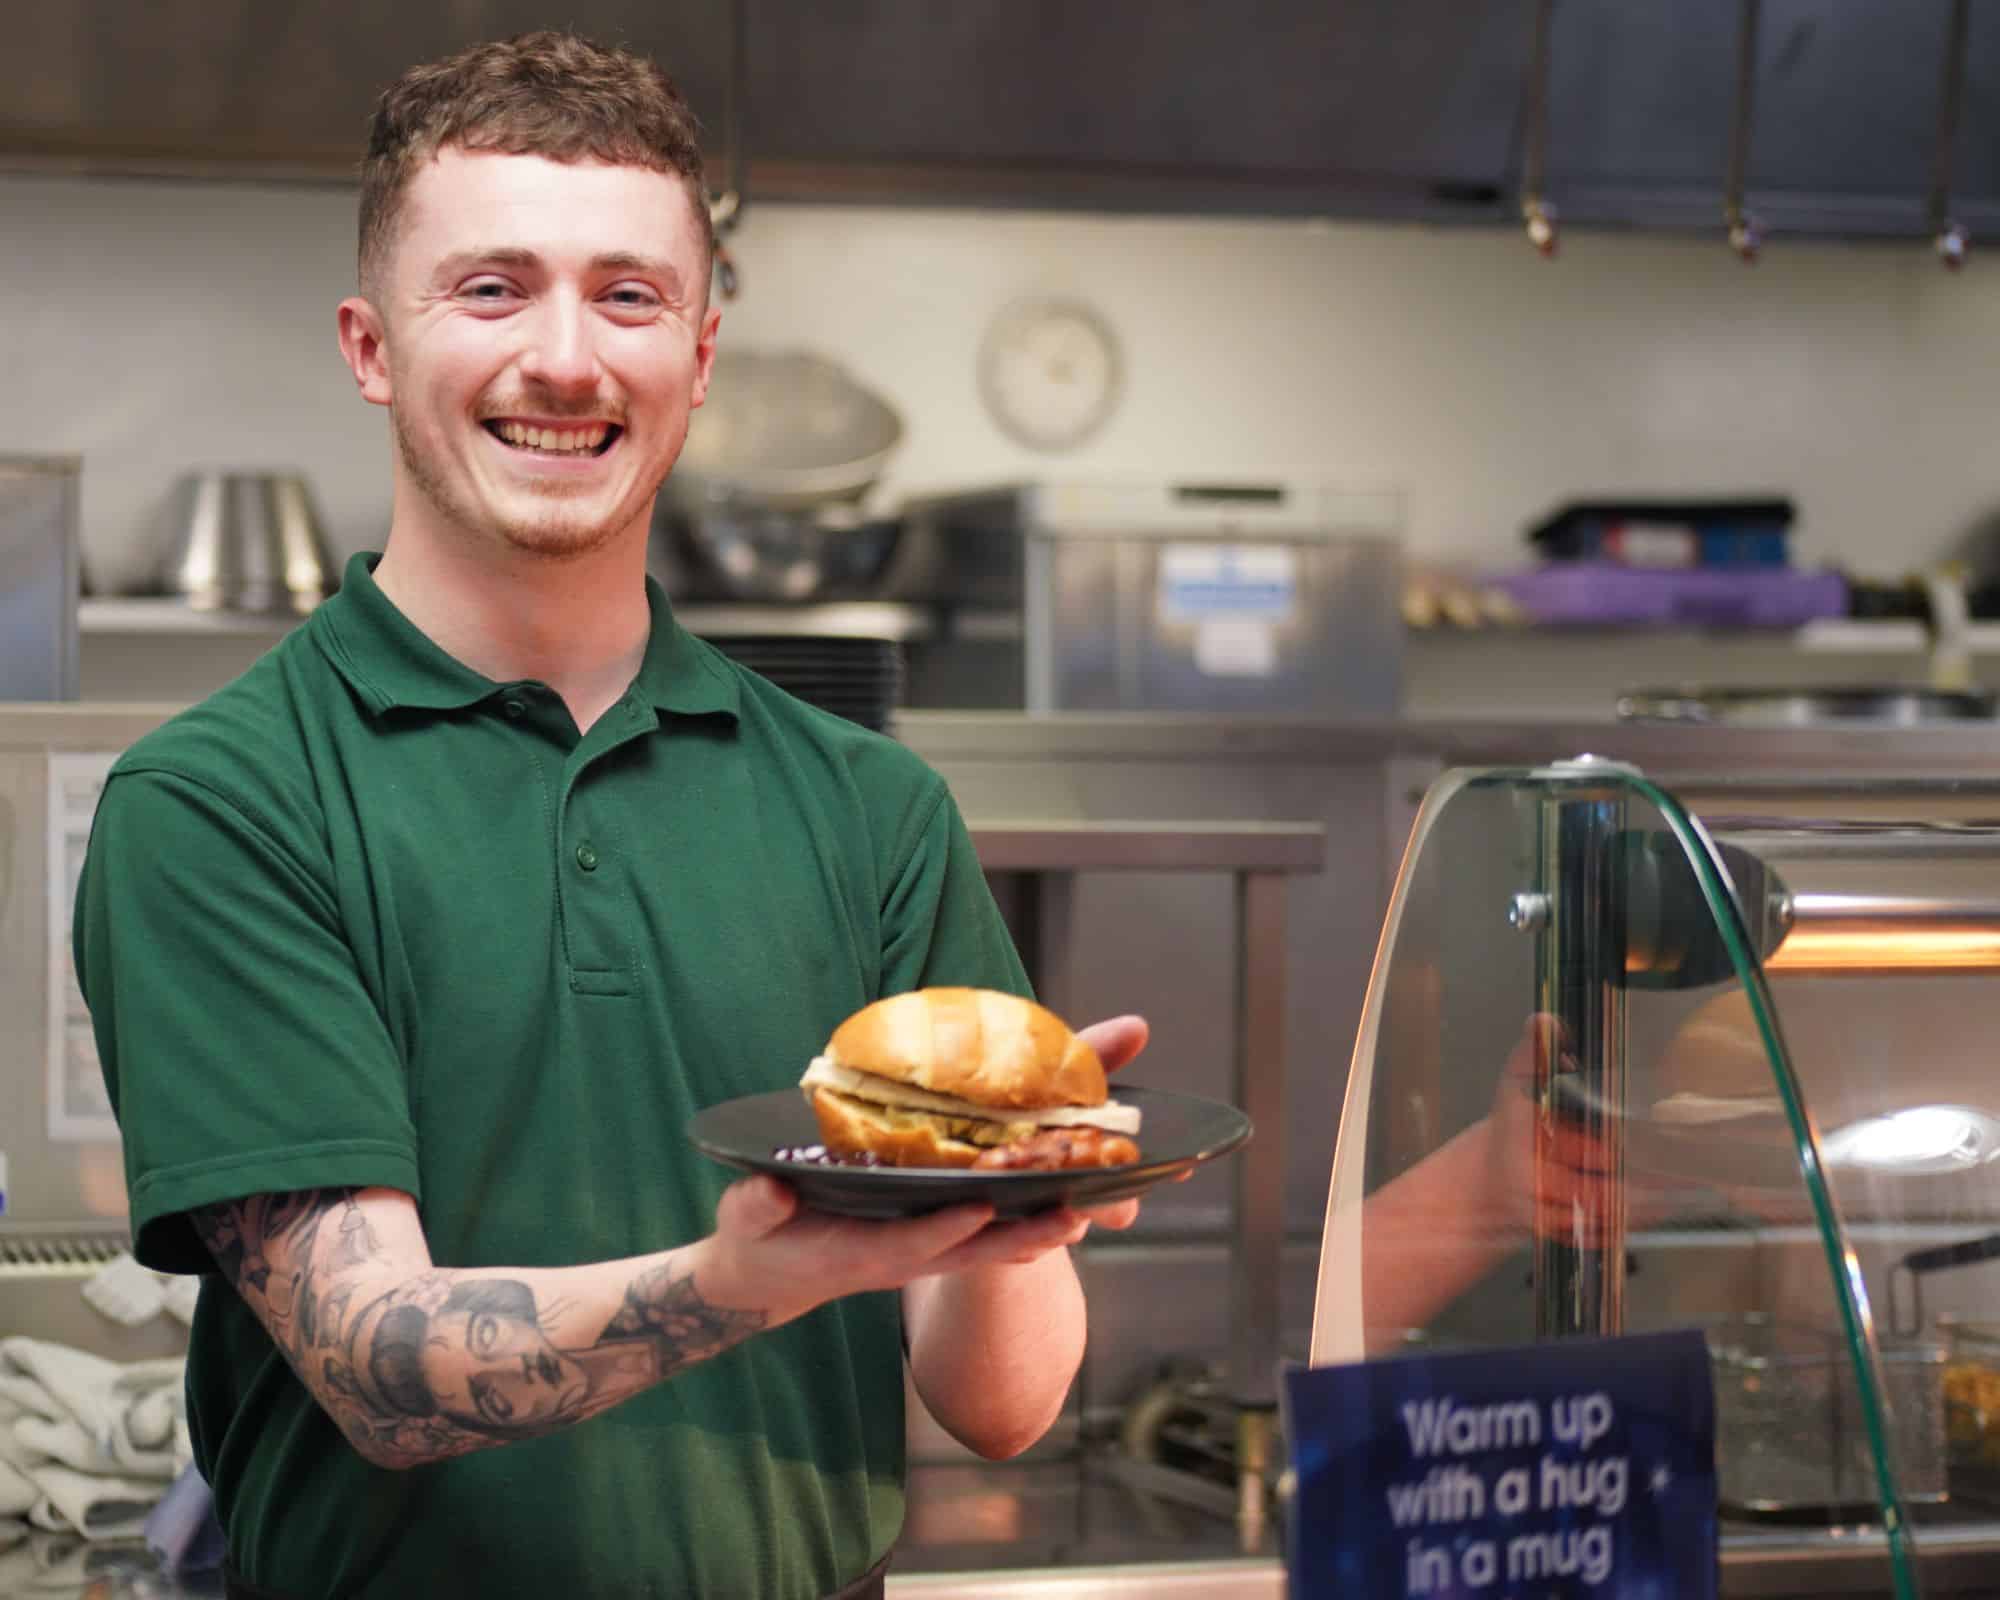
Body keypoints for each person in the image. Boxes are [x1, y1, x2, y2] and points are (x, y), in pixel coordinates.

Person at [73, 30, 1155, 1600]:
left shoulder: (871, 805)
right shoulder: (225, 803)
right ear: (372, 346)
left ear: (698, 359)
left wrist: (1006, 1217)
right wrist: (741, 1279)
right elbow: (377, 1365)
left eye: (628, 296)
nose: (569, 360)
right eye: (494, 288)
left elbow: (1000, 1407)